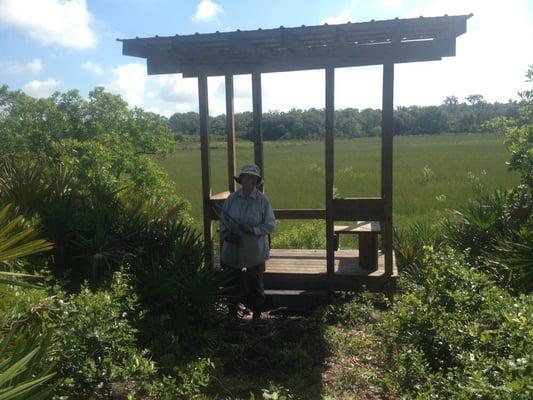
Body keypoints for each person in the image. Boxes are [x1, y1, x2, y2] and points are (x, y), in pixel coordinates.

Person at [219, 164, 276, 320]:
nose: (249, 181)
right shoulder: (231, 199)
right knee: (231, 284)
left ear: (256, 182)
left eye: (253, 178)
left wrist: (253, 230)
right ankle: (232, 314)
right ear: (242, 180)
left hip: (254, 252)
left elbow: (271, 225)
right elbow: (222, 222)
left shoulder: (262, 201)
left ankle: (257, 316)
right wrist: (228, 236)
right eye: (246, 178)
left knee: (255, 284)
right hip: (233, 250)